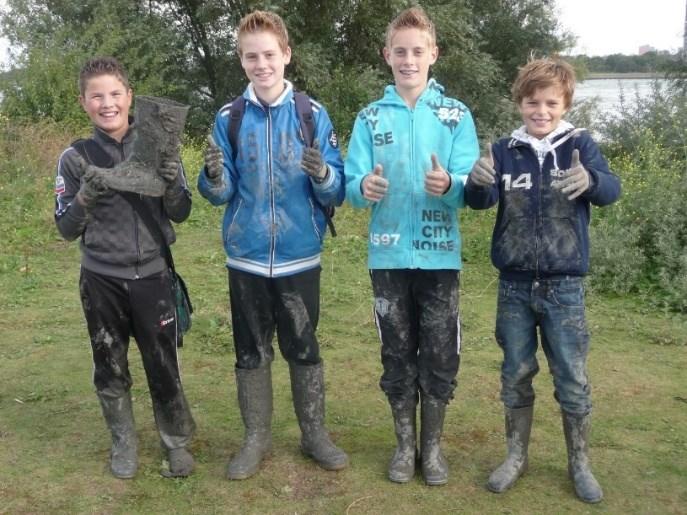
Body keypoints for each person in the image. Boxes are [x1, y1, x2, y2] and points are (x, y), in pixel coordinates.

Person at [197, 10, 347, 480]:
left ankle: (314, 435)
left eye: (268, 54)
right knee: (250, 351)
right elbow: (219, 193)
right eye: (250, 56)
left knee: (304, 348)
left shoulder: (312, 114)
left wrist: (323, 173)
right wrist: (213, 176)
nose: (261, 64)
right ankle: (255, 438)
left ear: (286, 54)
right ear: (241, 61)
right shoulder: (230, 117)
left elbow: (337, 188)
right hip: (245, 257)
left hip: (300, 256)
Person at [464, 57, 621, 503]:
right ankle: (516, 456)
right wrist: (476, 183)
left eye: (551, 102)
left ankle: (580, 462)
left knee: (571, 377)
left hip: (565, 288)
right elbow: (480, 200)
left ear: (565, 103)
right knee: (515, 372)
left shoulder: (581, 144)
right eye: (533, 102)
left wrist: (590, 179)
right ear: (520, 103)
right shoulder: (501, 150)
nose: (542, 110)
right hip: (513, 286)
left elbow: (612, 190)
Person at [345, 6, 479, 486]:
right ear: (387, 55)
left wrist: (451, 183)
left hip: (440, 254)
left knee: (441, 353)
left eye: (417, 51)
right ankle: (404, 446)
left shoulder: (456, 114)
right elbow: (349, 180)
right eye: (399, 51)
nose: (408, 59)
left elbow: (471, 181)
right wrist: (363, 187)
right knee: (397, 353)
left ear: (433, 55)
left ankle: (433, 448)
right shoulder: (369, 116)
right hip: (387, 255)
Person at [54, 57, 196, 479]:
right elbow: (65, 228)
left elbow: (182, 211)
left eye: (115, 93)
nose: (107, 103)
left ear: (129, 96)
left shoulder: (158, 142)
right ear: (84, 103)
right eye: (96, 95)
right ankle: (124, 444)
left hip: (153, 275)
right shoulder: (75, 157)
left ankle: (177, 443)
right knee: (109, 364)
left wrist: (171, 183)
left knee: (163, 365)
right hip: (101, 279)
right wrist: (85, 199)